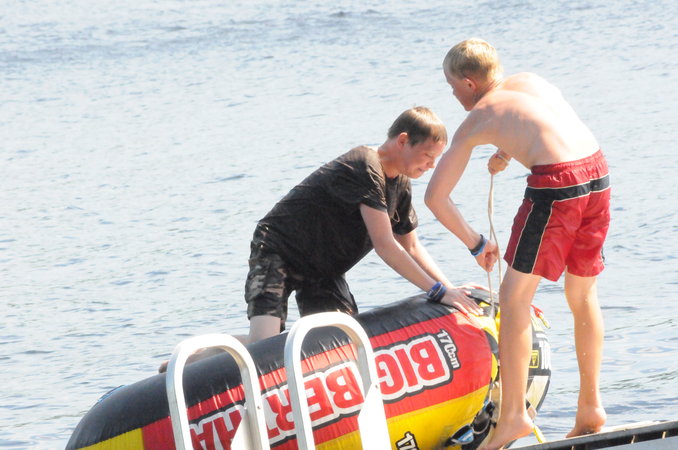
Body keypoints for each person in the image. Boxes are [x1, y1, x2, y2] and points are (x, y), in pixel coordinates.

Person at [159, 106, 483, 373]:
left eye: (435, 159)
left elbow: (411, 246)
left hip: (322, 270)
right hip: (279, 252)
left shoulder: (401, 185)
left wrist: (451, 289)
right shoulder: (364, 166)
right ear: (403, 141)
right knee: (264, 348)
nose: (431, 165)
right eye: (427, 156)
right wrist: (437, 292)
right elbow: (386, 246)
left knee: (339, 341)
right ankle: (191, 360)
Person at [424, 39, 609, 449]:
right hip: (597, 173)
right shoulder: (531, 81)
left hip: (557, 185)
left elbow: (435, 198)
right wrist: (505, 153)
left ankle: (513, 417)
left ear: (469, 83)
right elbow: (541, 125)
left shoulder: (478, 118)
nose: (454, 96)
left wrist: (476, 243)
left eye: (453, 88)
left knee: (513, 299)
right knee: (582, 294)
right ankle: (590, 407)